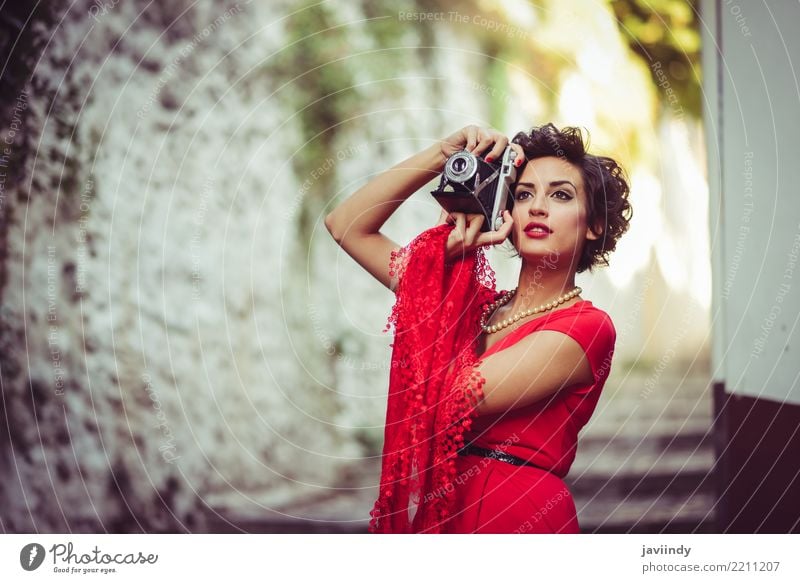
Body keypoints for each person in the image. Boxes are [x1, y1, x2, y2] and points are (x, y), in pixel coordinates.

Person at [325, 123, 632, 533]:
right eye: (524, 194)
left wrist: (443, 268)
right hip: (446, 510)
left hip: (517, 516)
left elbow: (452, 398)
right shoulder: (470, 304)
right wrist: (441, 157)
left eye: (560, 195)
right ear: (506, 211)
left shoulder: (587, 327)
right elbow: (346, 224)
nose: (537, 207)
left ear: (593, 225)